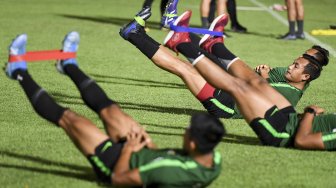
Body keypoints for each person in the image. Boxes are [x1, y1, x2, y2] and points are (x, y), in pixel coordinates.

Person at [5, 30, 225, 186]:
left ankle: (18, 71)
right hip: (144, 154)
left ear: (195, 143)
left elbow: (118, 179)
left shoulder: (169, 171)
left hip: (114, 165)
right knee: (111, 110)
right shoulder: (213, 161)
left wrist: (129, 148)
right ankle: (68, 65)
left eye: (188, 131)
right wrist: (148, 145)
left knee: (71, 119)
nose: (184, 132)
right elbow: (173, 164)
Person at [120, 8, 336, 150]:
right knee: (244, 78)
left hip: (227, 107)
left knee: (185, 69)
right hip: (266, 110)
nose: (291, 66)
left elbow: (301, 139)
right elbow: (256, 80)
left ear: (305, 77)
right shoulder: (286, 78)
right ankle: (205, 42)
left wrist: (309, 113)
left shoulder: (290, 94)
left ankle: (154, 36)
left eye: (297, 66)